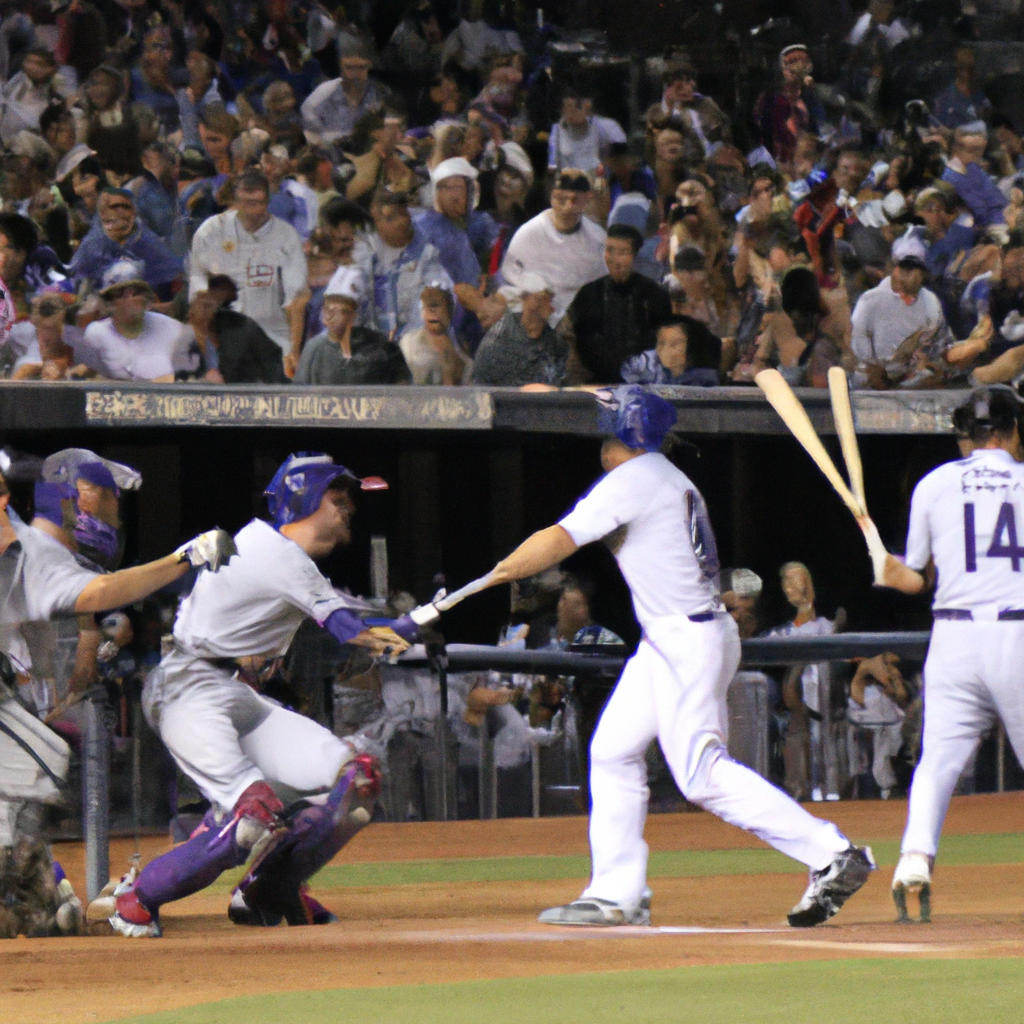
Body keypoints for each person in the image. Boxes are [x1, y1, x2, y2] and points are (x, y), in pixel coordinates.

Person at [449, 386, 873, 928]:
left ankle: (830, 853)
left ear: (624, 437)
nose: (601, 443)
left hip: (686, 637)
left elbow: (557, 541)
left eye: (608, 433)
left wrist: (496, 573)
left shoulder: (637, 476)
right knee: (613, 751)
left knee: (699, 774)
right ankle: (616, 891)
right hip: (672, 637)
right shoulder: (666, 476)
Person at [92, 454, 421, 937]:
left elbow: (355, 622)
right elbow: (350, 628)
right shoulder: (272, 550)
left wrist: (398, 627)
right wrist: (402, 626)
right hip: (187, 689)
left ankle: (269, 887)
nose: (348, 507)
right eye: (338, 497)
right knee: (254, 817)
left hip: (234, 692)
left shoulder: (289, 560)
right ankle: (136, 900)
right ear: (303, 498)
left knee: (356, 782)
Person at [861, 386, 1024, 922]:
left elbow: (912, 580)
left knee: (937, 761)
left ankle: (913, 859)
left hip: (952, 639)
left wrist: (883, 566)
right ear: (1012, 431)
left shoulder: (934, 483)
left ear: (967, 435)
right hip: (1016, 634)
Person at [189, 168, 308, 373]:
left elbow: (296, 302)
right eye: (245, 203)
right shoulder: (210, 231)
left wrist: (294, 352)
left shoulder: (286, 236)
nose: (252, 211)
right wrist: (206, 360)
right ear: (235, 199)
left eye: (258, 203)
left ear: (268, 202)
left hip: (273, 339)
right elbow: (199, 300)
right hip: (222, 342)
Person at [563, 224, 672, 384]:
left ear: (635, 256)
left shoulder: (654, 295)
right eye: (610, 250)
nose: (614, 259)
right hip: (595, 383)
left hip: (643, 384)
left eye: (623, 252)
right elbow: (572, 338)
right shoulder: (589, 293)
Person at [500, 169, 607, 328]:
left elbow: (603, 286)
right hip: (538, 316)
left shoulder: (597, 237)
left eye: (574, 199)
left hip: (583, 320)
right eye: (561, 199)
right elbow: (511, 280)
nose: (568, 207)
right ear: (552, 197)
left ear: (586, 198)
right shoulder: (529, 233)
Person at [353, 187, 452, 341]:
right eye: (390, 218)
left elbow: (435, 302)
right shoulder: (360, 253)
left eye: (404, 214)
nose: (402, 222)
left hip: (414, 343)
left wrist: (405, 342)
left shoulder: (427, 255)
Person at [850, 234, 945, 388]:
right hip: (873, 378)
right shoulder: (870, 301)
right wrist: (876, 372)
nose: (906, 275)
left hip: (910, 376)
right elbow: (859, 352)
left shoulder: (931, 302)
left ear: (923, 273)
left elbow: (936, 346)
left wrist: (929, 364)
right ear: (893, 268)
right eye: (903, 268)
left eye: (913, 269)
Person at [294, 266, 411, 385]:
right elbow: (298, 396)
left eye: (343, 311)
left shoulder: (383, 349)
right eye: (328, 309)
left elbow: (402, 390)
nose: (332, 316)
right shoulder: (313, 349)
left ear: (353, 315)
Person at [69, 189, 184, 302]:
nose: (120, 212)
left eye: (125, 207)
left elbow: (172, 278)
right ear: (103, 213)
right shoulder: (91, 244)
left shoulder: (150, 242)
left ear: (133, 212)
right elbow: (81, 285)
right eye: (115, 207)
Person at [83, 261, 188, 383]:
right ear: (109, 303)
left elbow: (191, 374)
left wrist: (175, 378)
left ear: (146, 298)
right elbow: (86, 375)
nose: (131, 300)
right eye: (122, 295)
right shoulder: (96, 333)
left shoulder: (172, 328)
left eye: (136, 293)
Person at [469, 273, 566, 387]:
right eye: (542, 298)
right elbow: (480, 384)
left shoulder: (555, 343)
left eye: (551, 299)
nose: (549, 304)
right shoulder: (500, 337)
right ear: (525, 298)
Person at [189, 275, 287, 385]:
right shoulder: (191, 338)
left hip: (253, 388)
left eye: (208, 307)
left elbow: (228, 370)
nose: (203, 315)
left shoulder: (235, 327)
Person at [300, 40, 389, 147]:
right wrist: (326, 140)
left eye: (361, 67)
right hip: (332, 150)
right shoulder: (326, 91)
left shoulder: (379, 92)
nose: (355, 73)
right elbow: (307, 113)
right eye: (349, 68)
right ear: (341, 67)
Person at [399, 285, 471, 384]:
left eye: (437, 305)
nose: (433, 311)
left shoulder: (462, 354)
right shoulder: (408, 344)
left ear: (449, 312)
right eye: (428, 306)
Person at [546, 87, 626, 176]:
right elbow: (552, 165)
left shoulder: (603, 126)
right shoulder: (556, 131)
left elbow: (620, 152)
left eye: (576, 107)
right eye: (567, 107)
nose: (571, 112)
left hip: (596, 180)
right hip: (567, 181)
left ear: (586, 106)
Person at [621, 316, 720, 386]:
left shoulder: (704, 377)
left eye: (675, 344)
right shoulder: (647, 365)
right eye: (661, 343)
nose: (664, 350)